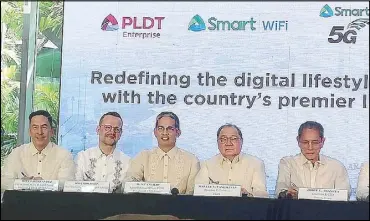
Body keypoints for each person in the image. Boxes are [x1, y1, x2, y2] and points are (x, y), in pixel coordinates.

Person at [124, 111, 200, 194]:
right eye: (160, 128)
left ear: (178, 133)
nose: (165, 133)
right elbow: (129, 184)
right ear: (155, 132)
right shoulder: (143, 156)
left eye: (170, 129)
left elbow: (193, 195)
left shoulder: (192, 160)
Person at [1, 110, 75, 190]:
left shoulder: (64, 155)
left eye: (44, 127)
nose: (40, 132)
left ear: (52, 131)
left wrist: (44, 185)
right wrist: (22, 184)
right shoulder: (16, 153)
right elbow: (5, 182)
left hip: (52, 201)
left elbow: (66, 185)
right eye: (35, 127)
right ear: (29, 131)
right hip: (21, 201)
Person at [275, 121, 351, 199]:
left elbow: (344, 197)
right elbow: (280, 192)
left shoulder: (336, 166)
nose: (310, 147)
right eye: (305, 142)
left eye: (315, 142)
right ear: (298, 141)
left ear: (322, 142)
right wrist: (287, 194)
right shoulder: (288, 163)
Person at [194, 124, 268, 197]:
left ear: (241, 141)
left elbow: (262, 194)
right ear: (217, 142)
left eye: (233, 139)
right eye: (223, 139)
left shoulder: (256, 164)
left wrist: (248, 195)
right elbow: (199, 193)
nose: (228, 143)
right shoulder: (207, 164)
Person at [75, 112, 130, 192]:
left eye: (116, 129)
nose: (112, 132)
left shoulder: (127, 162)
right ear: (98, 130)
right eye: (107, 127)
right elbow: (74, 189)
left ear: (120, 134)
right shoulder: (82, 158)